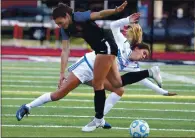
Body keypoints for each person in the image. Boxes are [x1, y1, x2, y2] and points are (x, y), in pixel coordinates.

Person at [16, 2, 162, 132]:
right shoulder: (65, 29)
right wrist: (61, 73)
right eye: (57, 24)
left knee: (99, 85)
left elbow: (99, 14)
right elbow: (65, 50)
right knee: (113, 85)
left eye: (61, 22)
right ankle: (27, 107)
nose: (60, 26)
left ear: (67, 16)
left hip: (106, 45)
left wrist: (115, 11)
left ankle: (98, 120)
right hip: (95, 58)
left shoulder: (79, 17)